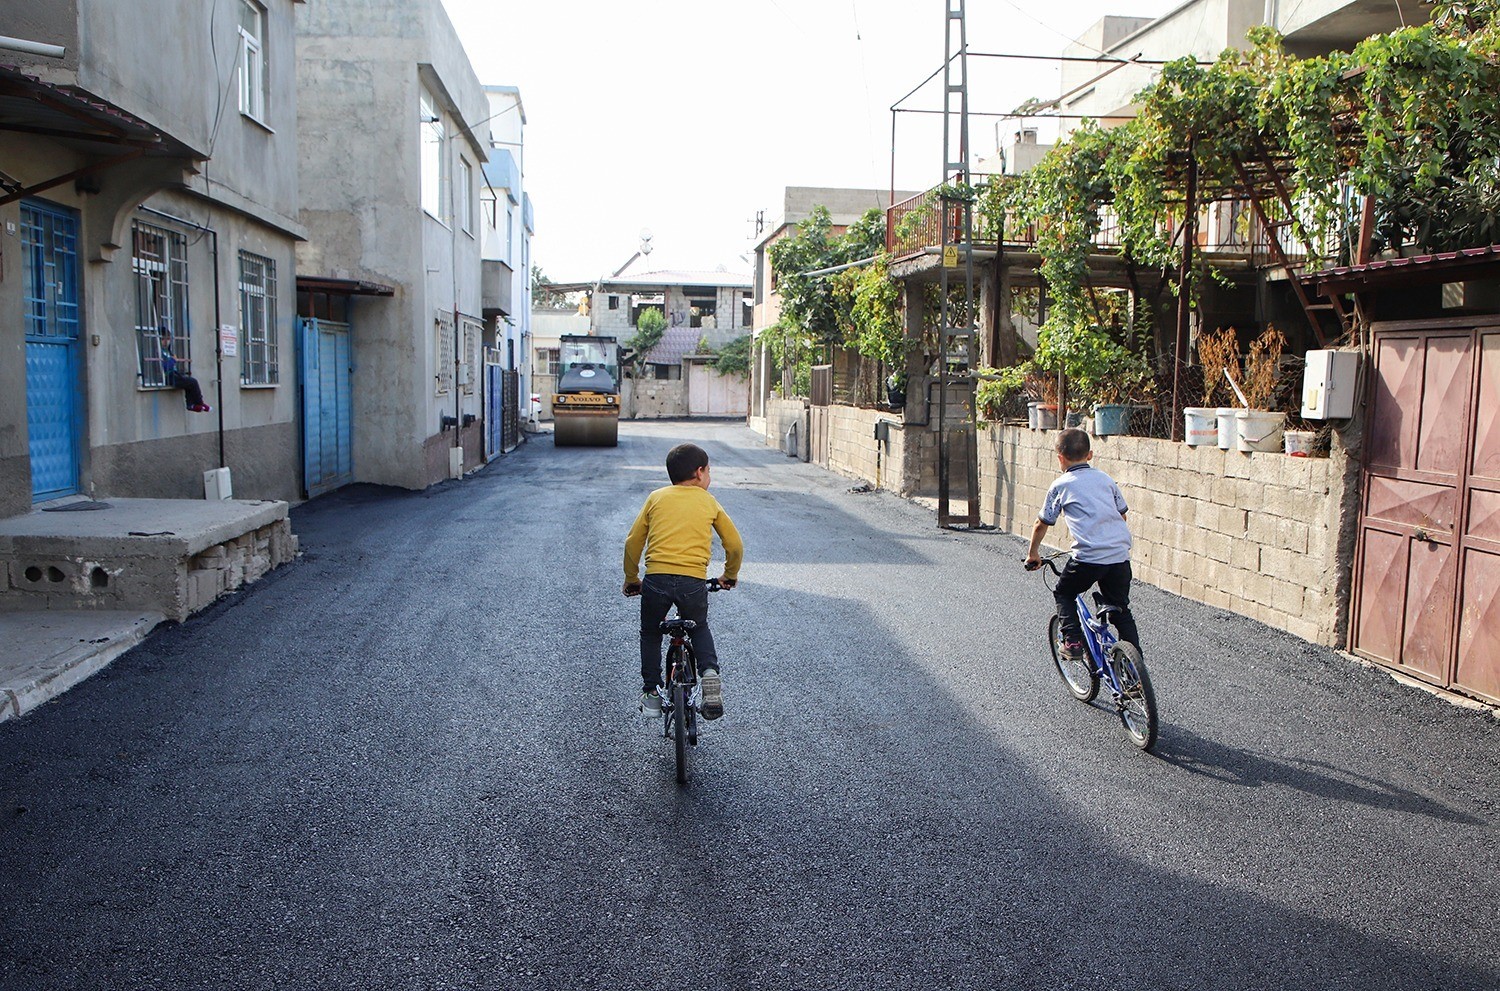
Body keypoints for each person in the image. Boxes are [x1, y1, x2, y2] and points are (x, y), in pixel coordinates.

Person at [624, 443, 743, 720]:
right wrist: (730, 575)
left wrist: (632, 578)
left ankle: (651, 694)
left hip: (656, 580)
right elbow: (734, 544)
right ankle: (710, 676)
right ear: (700, 472)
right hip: (692, 582)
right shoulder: (708, 501)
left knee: (651, 632)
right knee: (699, 626)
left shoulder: (656, 498)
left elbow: (633, 543)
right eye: (709, 471)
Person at [1025, 427, 1139, 660]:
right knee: (1121, 610)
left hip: (1087, 559)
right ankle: (1136, 671)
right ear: (1090, 454)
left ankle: (1073, 642)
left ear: (1060, 458)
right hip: (1119, 557)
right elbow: (1122, 516)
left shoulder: (1061, 485)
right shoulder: (1106, 480)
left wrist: (1033, 554)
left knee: (1064, 593)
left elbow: (1041, 523)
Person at [159, 328, 211, 413]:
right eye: (163, 339)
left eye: (168, 339)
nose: (166, 341)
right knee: (193, 382)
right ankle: (200, 403)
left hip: (174, 374)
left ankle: (191, 405)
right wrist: (173, 360)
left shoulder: (168, 351)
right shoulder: (159, 351)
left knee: (188, 382)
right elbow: (163, 366)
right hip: (168, 376)